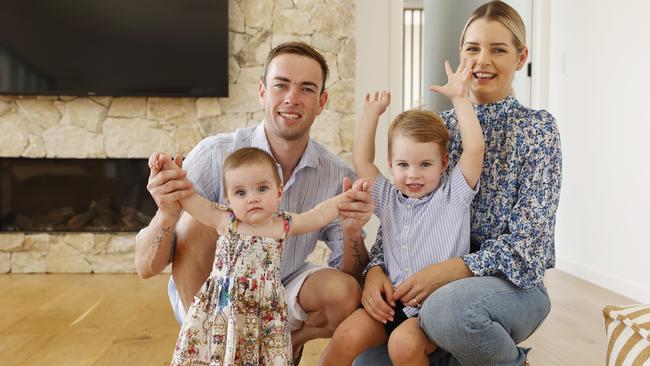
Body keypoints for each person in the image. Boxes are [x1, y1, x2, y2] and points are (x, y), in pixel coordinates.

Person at [134, 41, 374, 363]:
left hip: (277, 291)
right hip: (219, 299)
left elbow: (351, 277)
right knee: (195, 223)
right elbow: (145, 267)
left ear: (322, 102)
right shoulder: (214, 153)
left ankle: (280, 347)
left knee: (344, 292)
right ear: (262, 92)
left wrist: (353, 231)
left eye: (306, 88)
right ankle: (213, 349)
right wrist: (167, 213)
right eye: (281, 85)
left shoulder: (335, 175)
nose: (291, 98)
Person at [356, 1, 562, 365]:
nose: (482, 60)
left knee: (447, 312)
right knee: (365, 363)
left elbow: (530, 243)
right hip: (434, 292)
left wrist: (454, 269)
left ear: (520, 57)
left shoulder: (537, 129)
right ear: (460, 55)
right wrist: (374, 272)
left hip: (513, 285)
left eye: (498, 49)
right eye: (472, 49)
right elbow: (401, 218)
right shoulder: (438, 128)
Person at [320, 57, 485, 366]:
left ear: (444, 163)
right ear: (392, 163)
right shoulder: (389, 196)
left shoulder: (454, 194)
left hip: (434, 309)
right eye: (403, 165)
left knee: (403, 344)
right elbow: (362, 161)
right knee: (347, 336)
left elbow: (475, 149)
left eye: (425, 164)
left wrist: (460, 98)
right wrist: (372, 114)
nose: (414, 175)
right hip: (391, 304)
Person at [148, 148, 368, 365]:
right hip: (226, 303)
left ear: (278, 193)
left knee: (263, 353)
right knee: (217, 352)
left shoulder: (282, 224)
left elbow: (318, 214)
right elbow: (190, 199)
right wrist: (168, 171)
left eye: (262, 189)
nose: (252, 199)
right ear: (229, 199)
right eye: (241, 193)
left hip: (265, 305)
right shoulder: (226, 221)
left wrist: (350, 196)